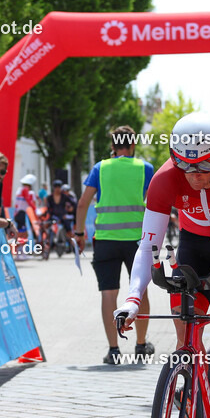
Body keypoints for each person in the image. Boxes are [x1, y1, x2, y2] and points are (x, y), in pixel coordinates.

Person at [115, 113, 210, 418]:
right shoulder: (165, 179)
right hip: (193, 243)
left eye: (206, 166)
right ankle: (192, 383)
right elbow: (147, 245)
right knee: (185, 316)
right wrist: (132, 300)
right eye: (185, 166)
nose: (194, 175)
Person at [75, 126, 156, 364]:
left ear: (112, 146)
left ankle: (114, 350)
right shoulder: (145, 168)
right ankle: (141, 346)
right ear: (133, 145)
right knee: (140, 290)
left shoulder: (100, 168)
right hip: (137, 241)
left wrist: (79, 233)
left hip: (106, 240)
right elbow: (155, 202)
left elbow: (83, 203)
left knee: (109, 292)